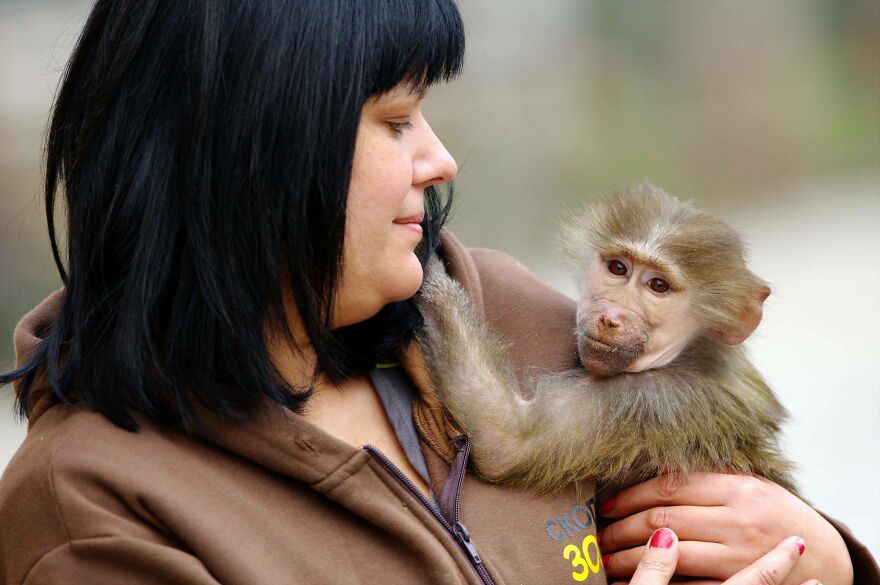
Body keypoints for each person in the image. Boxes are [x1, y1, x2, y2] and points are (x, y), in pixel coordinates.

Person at [0, 1, 872, 584]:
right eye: (395, 120)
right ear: (257, 152)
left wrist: (823, 557)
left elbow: (745, 512)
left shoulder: (504, 310)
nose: (441, 159)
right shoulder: (95, 508)